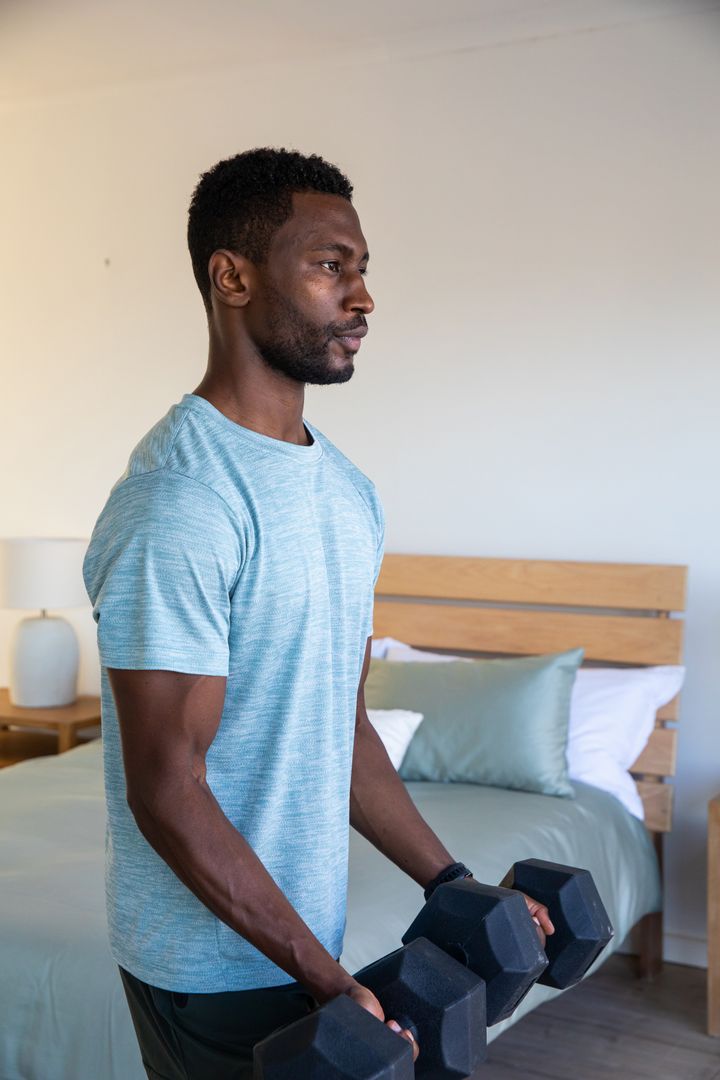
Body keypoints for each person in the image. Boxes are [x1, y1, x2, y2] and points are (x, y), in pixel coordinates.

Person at [83, 147, 553, 1080]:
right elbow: (167, 788)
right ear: (233, 277)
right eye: (332, 266)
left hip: (305, 940)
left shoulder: (347, 493)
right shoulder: (179, 501)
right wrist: (328, 980)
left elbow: (338, 726)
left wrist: (452, 886)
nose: (364, 297)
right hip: (208, 969)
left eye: (364, 268)